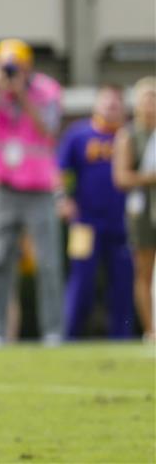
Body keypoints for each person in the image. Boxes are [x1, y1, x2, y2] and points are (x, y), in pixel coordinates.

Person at [0, 38, 64, 347]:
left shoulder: (47, 90)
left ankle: (52, 331)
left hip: (38, 189)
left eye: (15, 65)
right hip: (4, 189)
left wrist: (22, 94)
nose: (10, 71)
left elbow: (47, 128)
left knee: (48, 262)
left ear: (28, 65)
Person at [59, 85, 134, 339]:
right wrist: (63, 199)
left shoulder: (128, 136)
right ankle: (70, 336)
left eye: (116, 103)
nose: (111, 107)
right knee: (81, 281)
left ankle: (121, 337)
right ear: (96, 104)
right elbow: (59, 172)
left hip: (122, 222)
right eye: (107, 102)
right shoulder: (78, 134)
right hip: (84, 222)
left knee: (122, 282)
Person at [113, 77, 156, 343]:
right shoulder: (128, 135)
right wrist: (150, 178)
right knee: (144, 270)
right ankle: (150, 328)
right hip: (142, 212)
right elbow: (121, 178)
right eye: (146, 97)